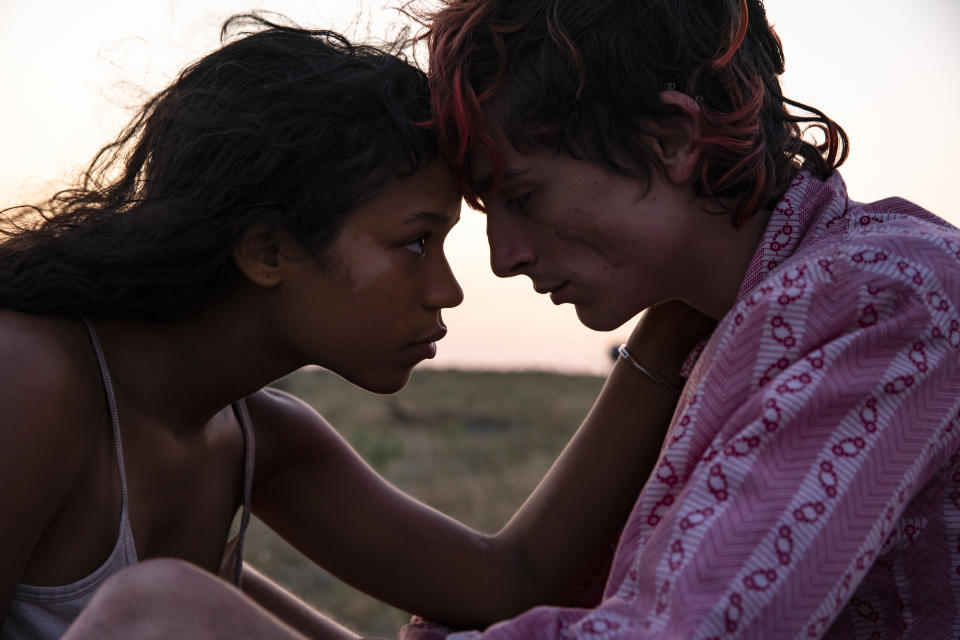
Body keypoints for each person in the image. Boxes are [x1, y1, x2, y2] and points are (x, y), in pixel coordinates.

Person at [0, 14, 713, 640]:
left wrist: (672, 319)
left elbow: (505, 581)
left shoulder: (255, 439)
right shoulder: (31, 380)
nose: (450, 290)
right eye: (414, 242)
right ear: (270, 250)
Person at [400, 0, 960, 638]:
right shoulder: (730, 314)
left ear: (671, 139)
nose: (504, 258)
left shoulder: (885, 299)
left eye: (524, 197)